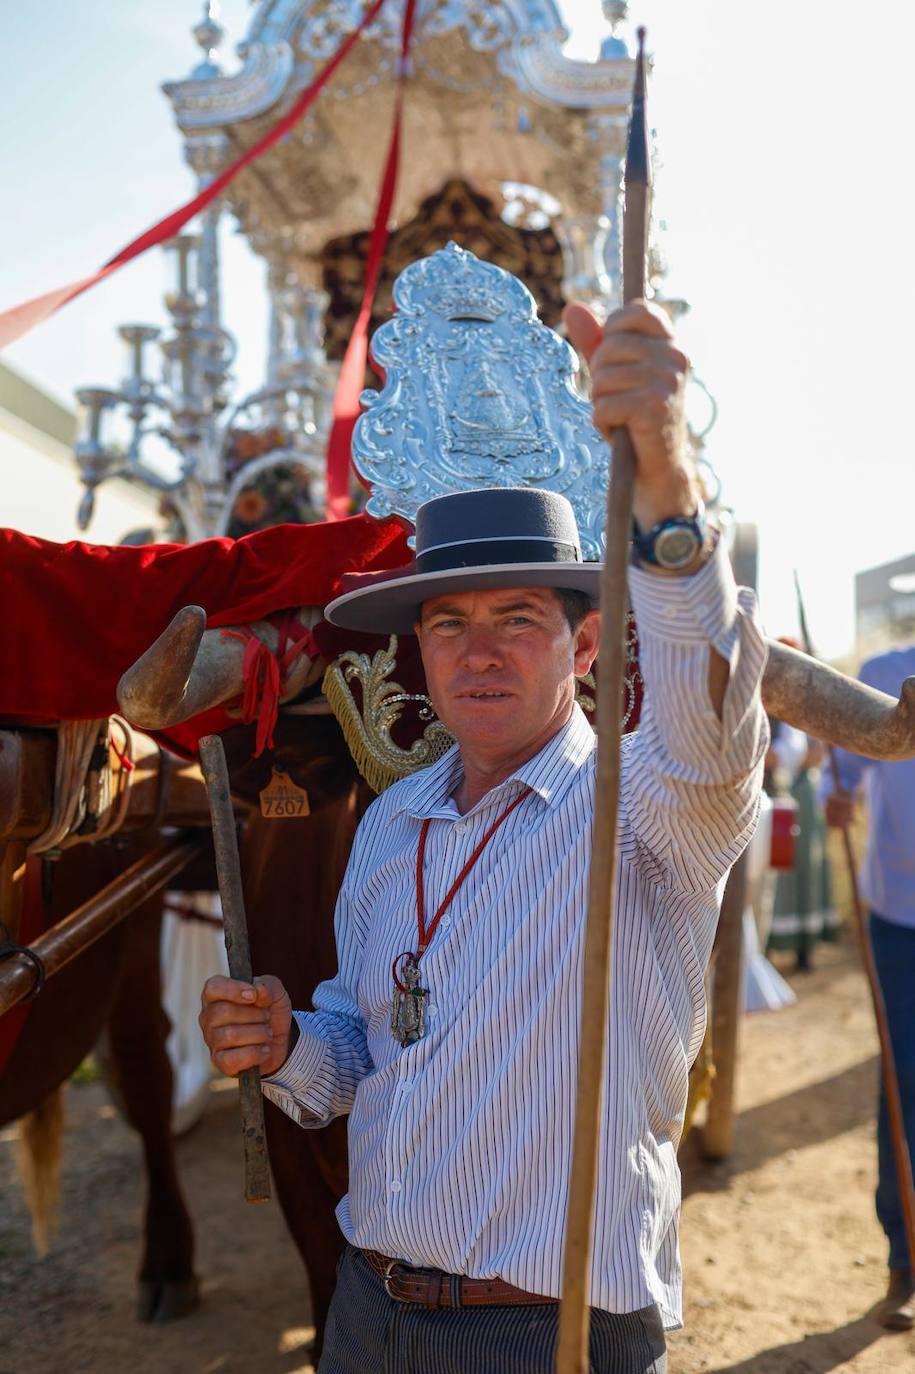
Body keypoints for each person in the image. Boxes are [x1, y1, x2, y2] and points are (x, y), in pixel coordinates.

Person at [199, 300, 768, 1373]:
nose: (479, 654)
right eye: (450, 622)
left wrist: (666, 484)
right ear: (418, 645)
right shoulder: (391, 828)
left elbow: (712, 726)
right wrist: (285, 1046)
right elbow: (365, 1053)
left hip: (549, 1339)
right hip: (367, 1317)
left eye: (519, 618)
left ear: (586, 642)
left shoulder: (645, 816)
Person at [822, 643, 915, 1332]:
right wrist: (836, 792)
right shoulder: (883, 675)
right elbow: (846, 768)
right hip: (898, 914)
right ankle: (905, 1261)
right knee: (904, 1081)